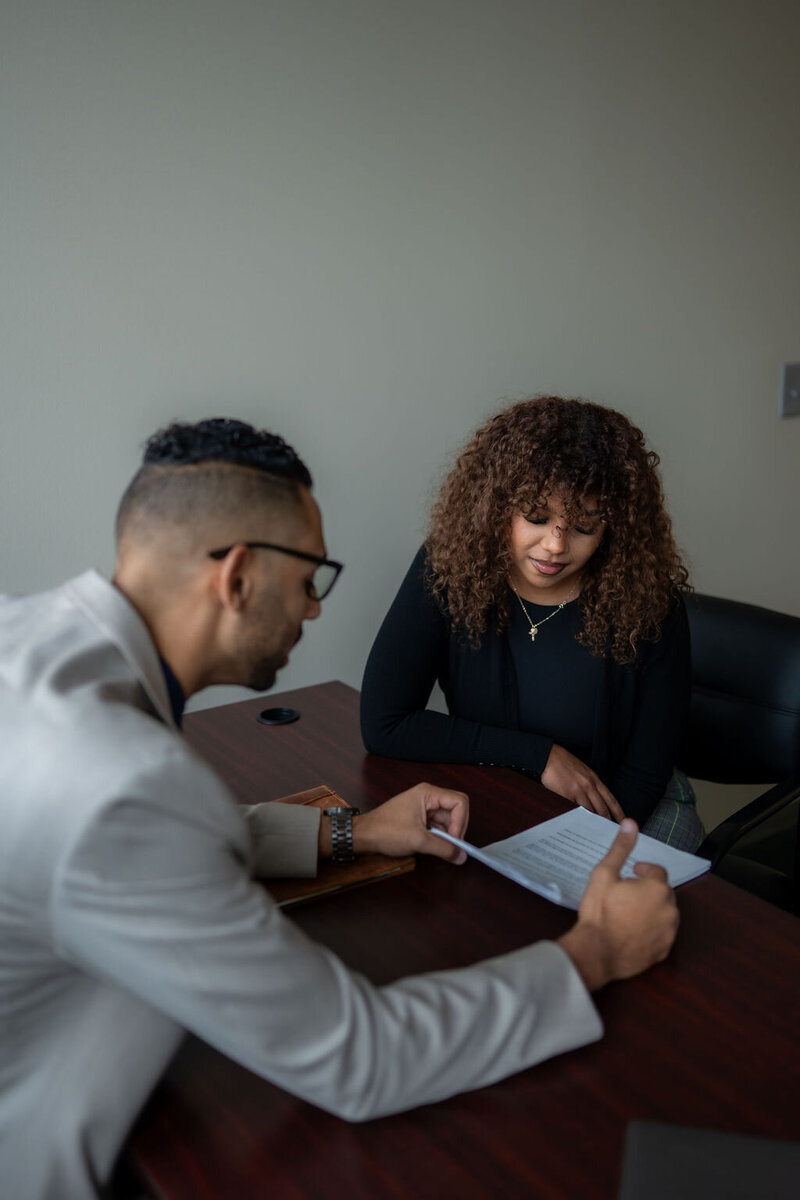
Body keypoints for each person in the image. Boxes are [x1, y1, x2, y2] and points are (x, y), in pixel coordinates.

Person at [0, 417, 679, 1200]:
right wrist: (596, 950)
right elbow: (364, 1057)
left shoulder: (31, 641)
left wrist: (350, 829)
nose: (315, 611)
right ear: (237, 577)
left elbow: (115, 853)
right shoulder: (126, 787)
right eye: (311, 579)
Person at [361, 395, 703, 849]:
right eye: (537, 518)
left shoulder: (648, 602)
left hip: (628, 812)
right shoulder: (448, 569)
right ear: (499, 504)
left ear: (612, 529)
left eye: (584, 527)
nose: (556, 545)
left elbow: (642, 779)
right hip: (507, 800)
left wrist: (570, 848)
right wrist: (538, 756)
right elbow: (385, 723)